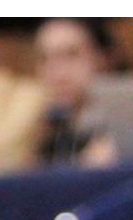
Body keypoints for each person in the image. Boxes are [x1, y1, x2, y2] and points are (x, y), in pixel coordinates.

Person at [34, 17, 115, 166]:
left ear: (102, 59)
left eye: (71, 55)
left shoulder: (124, 132)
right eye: (44, 58)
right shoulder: (48, 134)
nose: (56, 70)